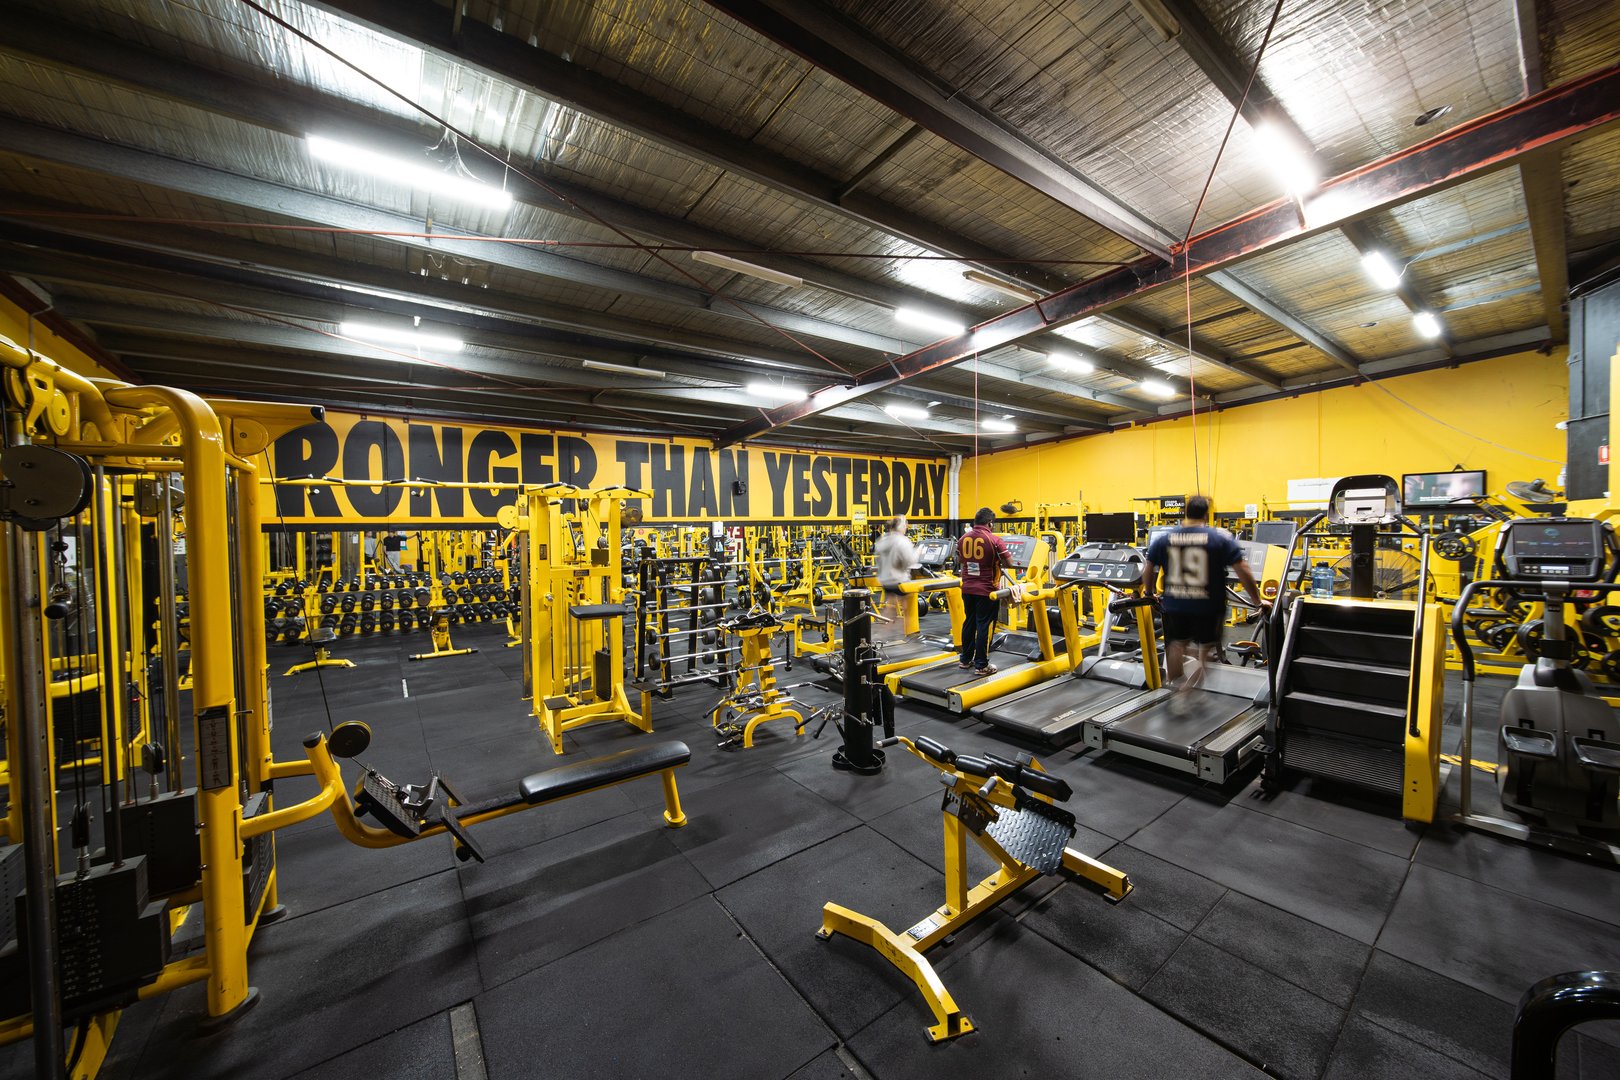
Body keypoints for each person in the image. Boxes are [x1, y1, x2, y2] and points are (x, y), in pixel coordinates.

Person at [1143, 495, 1266, 706]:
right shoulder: (1218, 539)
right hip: (1208, 606)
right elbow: (1243, 569)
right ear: (1206, 515)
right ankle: (1189, 690)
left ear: (1185, 513)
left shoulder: (1164, 539)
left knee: (1176, 645)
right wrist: (1257, 600)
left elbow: (1149, 567)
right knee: (1205, 649)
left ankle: (1174, 685)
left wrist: (1149, 592)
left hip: (1175, 604)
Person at [956, 507, 1012, 675]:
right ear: (990, 523)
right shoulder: (995, 540)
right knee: (984, 626)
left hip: (967, 588)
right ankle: (981, 665)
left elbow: (961, 560)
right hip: (987, 590)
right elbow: (1009, 563)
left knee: (969, 622)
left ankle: (965, 660)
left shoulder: (962, 539)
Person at [872, 515, 918, 643]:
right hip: (900, 580)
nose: (906, 528)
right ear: (900, 527)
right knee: (907, 608)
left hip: (886, 580)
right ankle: (910, 637)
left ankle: (881, 635)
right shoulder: (902, 541)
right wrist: (919, 552)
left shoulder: (882, 539)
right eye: (905, 525)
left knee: (890, 608)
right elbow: (909, 561)